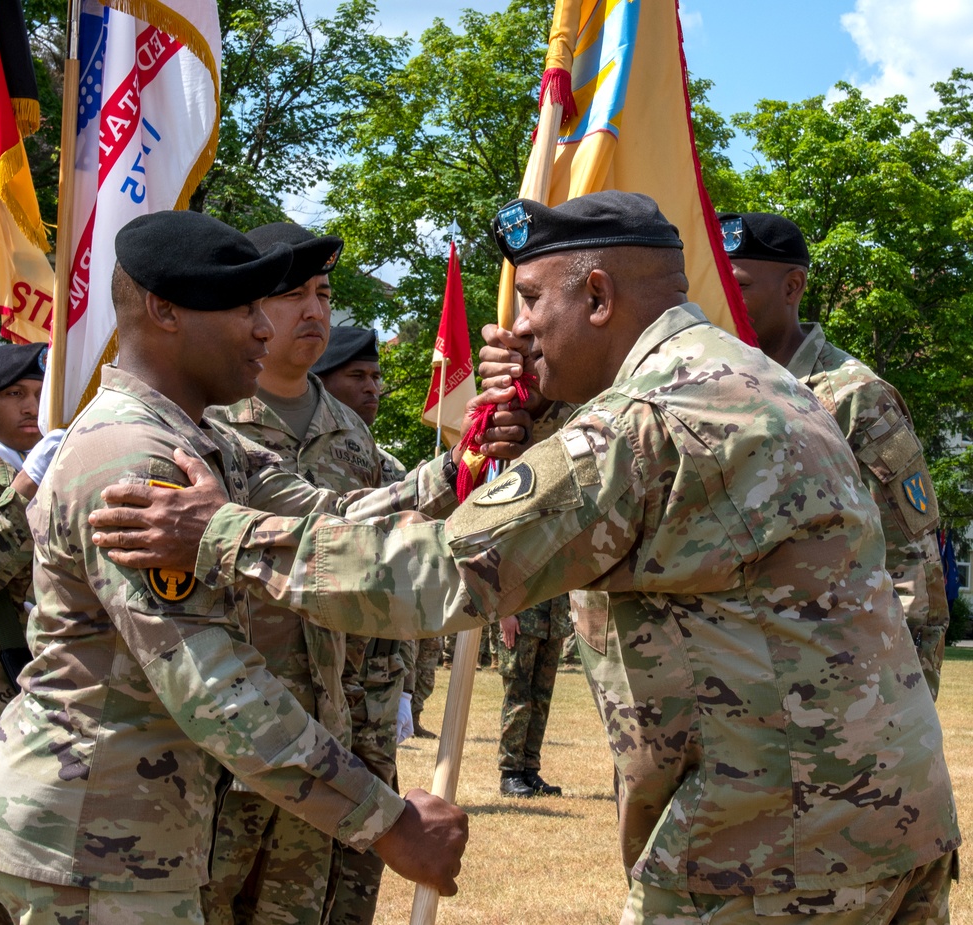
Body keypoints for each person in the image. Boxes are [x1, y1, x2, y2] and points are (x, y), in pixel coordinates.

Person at [91, 191, 960, 924]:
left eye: (533, 300)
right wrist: (539, 418)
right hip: (879, 818)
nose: (519, 332)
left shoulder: (648, 420)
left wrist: (219, 534)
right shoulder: (748, 379)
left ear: (597, 294)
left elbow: (435, 576)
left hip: (771, 848)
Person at [0, 210, 469, 925]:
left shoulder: (197, 441)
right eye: (243, 307)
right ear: (164, 309)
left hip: (137, 836)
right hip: (97, 844)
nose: (265, 329)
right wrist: (388, 822)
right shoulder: (134, 458)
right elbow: (214, 683)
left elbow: (324, 517)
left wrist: (471, 469)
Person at [199, 222, 387, 925]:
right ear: (249, 309)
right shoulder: (209, 421)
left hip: (324, 735)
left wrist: (369, 711)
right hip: (227, 738)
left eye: (324, 293)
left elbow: (369, 567)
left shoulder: (351, 431)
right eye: (292, 295)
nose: (314, 311)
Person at [717, 210, 949, 698]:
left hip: (843, 684)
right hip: (746, 673)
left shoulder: (853, 396)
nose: (723, 299)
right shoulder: (719, 389)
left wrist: (903, 699)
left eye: (739, 285)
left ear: (792, 286)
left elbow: (912, 561)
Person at [314, 325, 444, 742]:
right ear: (322, 381)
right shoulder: (289, 448)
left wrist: (404, 687)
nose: (372, 388)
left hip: (374, 678)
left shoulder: (388, 468)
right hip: (315, 659)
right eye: (357, 377)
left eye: (375, 377)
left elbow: (403, 576)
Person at [0, 343, 63, 925]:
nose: (35, 407)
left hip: (49, 716)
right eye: (16, 395)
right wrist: (28, 486)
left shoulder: (68, 473)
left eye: (41, 393)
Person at [497, 594, 572, 798]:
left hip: (553, 622)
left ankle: (530, 769)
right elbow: (501, 568)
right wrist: (504, 612)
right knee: (518, 700)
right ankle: (510, 773)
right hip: (522, 620)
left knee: (541, 702)